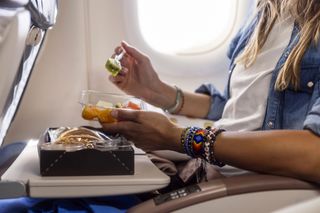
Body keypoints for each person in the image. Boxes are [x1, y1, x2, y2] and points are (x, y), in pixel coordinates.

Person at [101, 0, 320, 183]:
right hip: (205, 167)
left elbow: (314, 154)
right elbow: (233, 106)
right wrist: (155, 91)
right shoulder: (264, 12)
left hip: (248, 185)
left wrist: (177, 137)